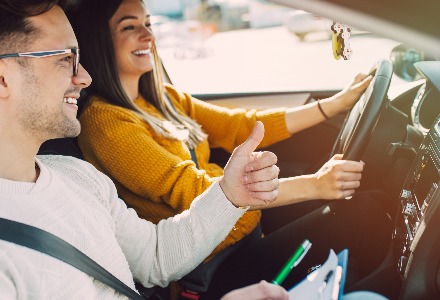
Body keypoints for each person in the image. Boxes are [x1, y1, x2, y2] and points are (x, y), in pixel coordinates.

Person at [0, 0, 284, 299]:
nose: (85, 77)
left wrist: (230, 195)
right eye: (66, 60)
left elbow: (157, 258)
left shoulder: (76, 176)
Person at [69, 0, 393, 297]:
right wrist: (317, 183)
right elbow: (196, 191)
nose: (147, 35)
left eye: (149, 24)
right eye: (129, 26)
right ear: (99, 41)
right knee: (367, 211)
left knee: (366, 207)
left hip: (246, 234)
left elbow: (239, 126)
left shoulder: (162, 98)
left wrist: (336, 104)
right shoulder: (105, 122)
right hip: (213, 270)